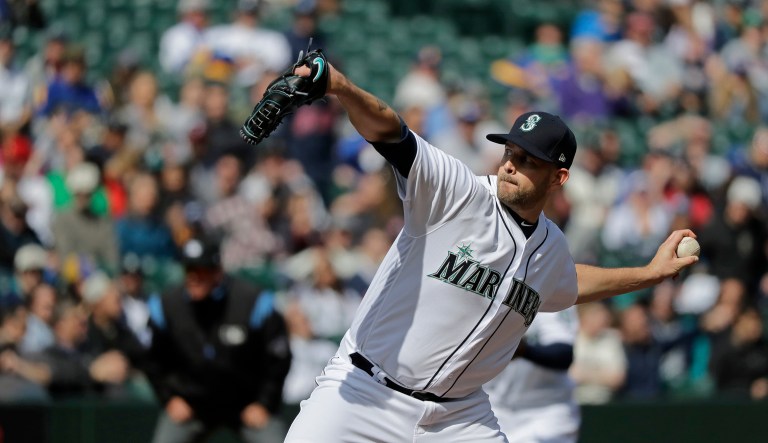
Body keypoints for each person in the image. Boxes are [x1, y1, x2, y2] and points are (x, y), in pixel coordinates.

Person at [283, 55, 699, 442]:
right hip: (364, 391)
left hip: (457, 418)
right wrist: (339, 86)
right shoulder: (456, 194)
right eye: (510, 151)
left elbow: (570, 282)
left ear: (559, 178)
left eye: (529, 159)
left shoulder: (551, 247)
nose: (511, 164)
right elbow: (392, 133)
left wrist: (650, 274)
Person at [145, 236, 291, 443]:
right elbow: (152, 359)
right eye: (189, 270)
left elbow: (279, 358)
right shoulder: (167, 305)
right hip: (191, 405)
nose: (194, 278)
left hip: (247, 403)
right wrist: (168, 398)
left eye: (201, 271)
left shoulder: (253, 301)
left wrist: (265, 403)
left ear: (217, 272)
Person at [484, 308, 580, 443]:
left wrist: (524, 350)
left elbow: (563, 355)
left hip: (544, 412)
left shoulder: (553, 294)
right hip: (493, 407)